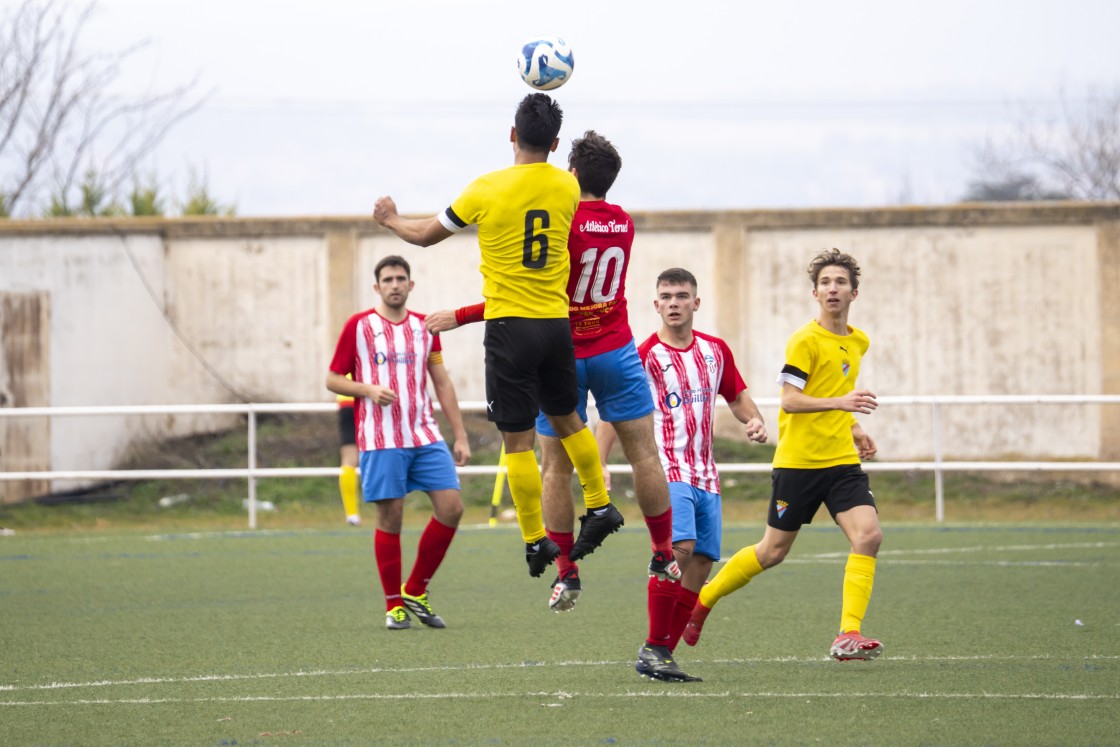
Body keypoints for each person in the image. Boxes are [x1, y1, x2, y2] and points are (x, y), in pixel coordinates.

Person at [425, 131, 692, 681]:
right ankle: (663, 551)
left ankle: (566, 570)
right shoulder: (623, 221)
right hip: (617, 348)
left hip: (561, 350)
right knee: (645, 455)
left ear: (571, 171)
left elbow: (528, 284)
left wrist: (463, 314)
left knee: (554, 464)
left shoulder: (562, 217)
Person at [372, 94, 620, 582]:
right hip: (555, 325)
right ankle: (601, 503)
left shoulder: (484, 189)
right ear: (554, 142)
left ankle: (534, 540)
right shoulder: (567, 187)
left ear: (511, 135)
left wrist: (389, 219)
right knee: (570, 421)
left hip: (510, 327)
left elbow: (423, 235)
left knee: (518, 443)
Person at [683, 247, 884, 662]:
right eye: (825, 283)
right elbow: (791, 402)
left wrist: (855, 427)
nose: (833, 289)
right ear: (815, 293)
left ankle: (848, 633)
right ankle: (702, 601)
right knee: (772, 552)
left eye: (840, 282)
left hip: (841, 463)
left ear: (854, 293)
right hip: (799, 465)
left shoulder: (858, 340)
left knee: (869, 536)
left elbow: (832, 395)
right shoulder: (804, 340)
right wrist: (843, 404)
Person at [600, 267, 768, 662]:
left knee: (703, 560)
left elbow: (737, 396)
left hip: (706, 474)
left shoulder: (715, 351)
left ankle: (664, 653)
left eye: (681, 296)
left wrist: (755, 420)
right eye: (666, 297)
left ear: (696, 302)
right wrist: (598, 463)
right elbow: (612, 413)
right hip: (667, 470)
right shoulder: (644, 356)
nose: (674, 303)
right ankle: (655, 646)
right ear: (655, 305)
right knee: (679, 550)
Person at [326, 255, 470, 631]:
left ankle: (415, 589)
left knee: (452, 508)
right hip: (381, 438)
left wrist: (461, 434)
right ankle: (394, 605)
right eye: (387, 279)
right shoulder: (358, 326)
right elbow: (332, 379)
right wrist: (367, 389)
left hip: (424, 434)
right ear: (377, 287)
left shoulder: (426, 327)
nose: (394, 284)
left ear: (410, 285)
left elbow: (442, 381)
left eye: (400, 278)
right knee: (391, 518)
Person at [337, 385, 361, 526]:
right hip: (371, 399)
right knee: (384, 452)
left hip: (346, 399)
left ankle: (352, 515)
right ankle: (388, 508)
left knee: (349, 459)